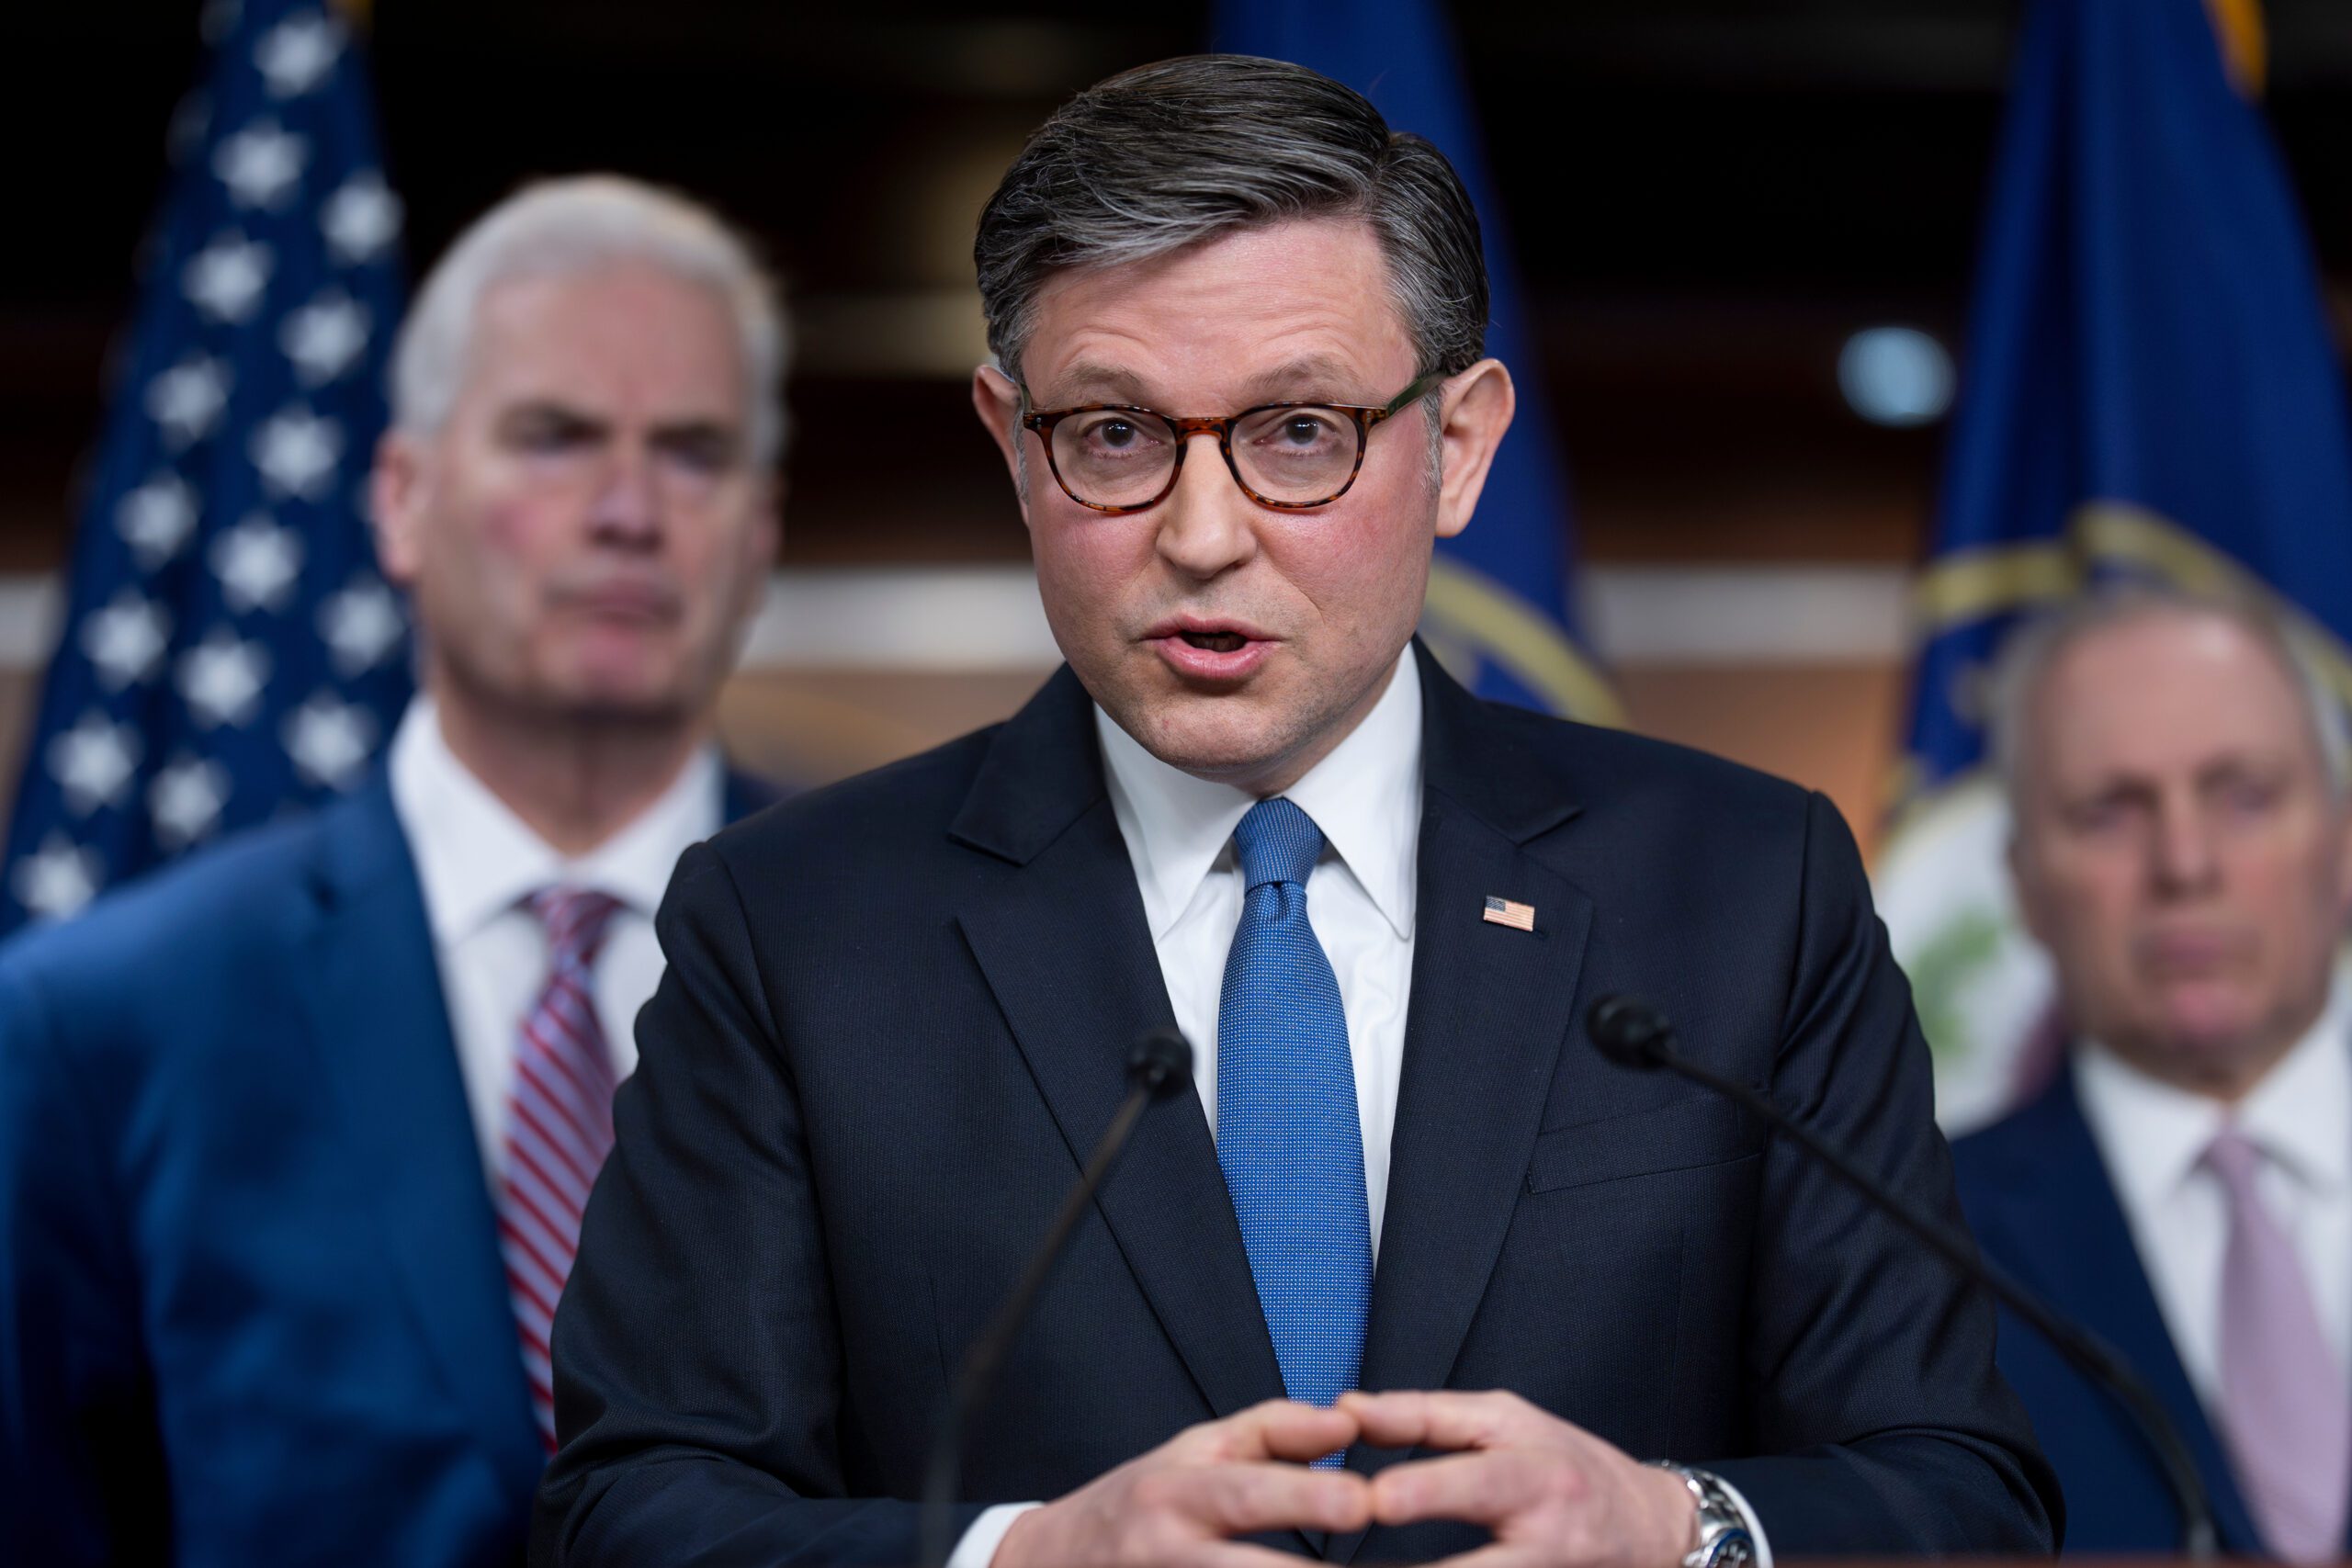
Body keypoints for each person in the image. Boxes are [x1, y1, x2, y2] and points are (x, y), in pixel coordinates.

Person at [536, 56, 2057, 1568]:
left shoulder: (1747, 893)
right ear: (1012, 443)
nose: (1203, 535)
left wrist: (1677, 1525)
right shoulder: (791, 927)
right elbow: (635, 1511)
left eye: (1300, 431)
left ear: (1458, 447)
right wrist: (1025, 1556)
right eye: (1114, 434)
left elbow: (1960, 1492)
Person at [0, 175, 786, 1566]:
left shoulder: (928, 957)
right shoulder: (98, 1018)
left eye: (693, 451)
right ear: (402, 500)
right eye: (553, 437)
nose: (627, 509)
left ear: (760, 529)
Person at [1951, 588, 2352, 1561]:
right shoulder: (1911, 1242)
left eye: (2243, 796)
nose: (2184, 862)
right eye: (2108, 813)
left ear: (2343, 844)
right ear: (2023, 881)